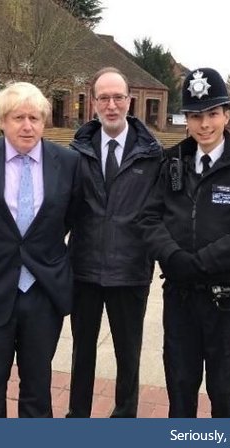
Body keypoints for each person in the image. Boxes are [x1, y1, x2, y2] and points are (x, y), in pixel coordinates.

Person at [138, 67, 230, 418]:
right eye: (196, 115)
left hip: (227, 300)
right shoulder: (171, 161)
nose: (205, 124)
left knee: (224, 390)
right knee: (180, 388)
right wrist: (173, 256)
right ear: (187, 119)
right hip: (180, 298)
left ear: (227, 114)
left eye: (212, 113)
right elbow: (149, 219)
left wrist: (203, 261)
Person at [0, 81, 80, 418]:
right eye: (18, 117)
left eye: (35, 118)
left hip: (42, 292)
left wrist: (37, 250)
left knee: (38, 389)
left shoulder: (67, 163)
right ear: (2, 121)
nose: (27, 126)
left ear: (44, 121)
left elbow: (70, 216)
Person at [66, 67, 163, 418]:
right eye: (104, 98)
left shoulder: (153, 155)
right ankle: (78, 414)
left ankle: (125, 416)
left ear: (129, 101)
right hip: (84, 270)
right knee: (82, 350)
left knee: (128, 352)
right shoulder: (75, 152)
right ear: (92, 103)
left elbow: (162, 213)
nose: (111, 105)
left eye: (118, 97)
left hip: (131, 271)